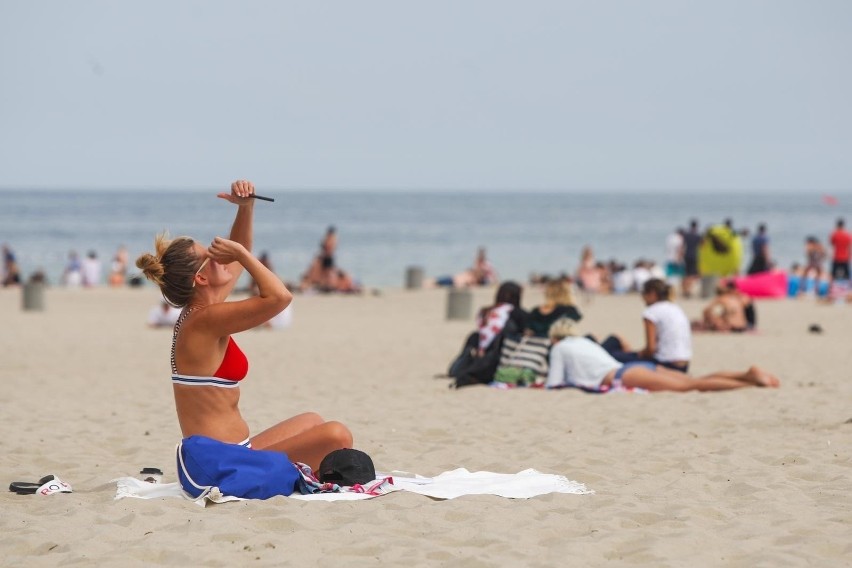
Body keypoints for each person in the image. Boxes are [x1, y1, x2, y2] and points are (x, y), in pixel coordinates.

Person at [135, 180, 352, 470]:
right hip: (222, 465)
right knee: (338, 435)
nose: (221, 256)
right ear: (200, 279)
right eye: (211, 256)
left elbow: (240, 251)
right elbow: (280, 297)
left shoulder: (204, 308)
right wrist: (243, 256)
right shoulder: (205, 320)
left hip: (237, 452)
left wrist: (246, 208)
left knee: (313, 421)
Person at [545, 317, 779, 392]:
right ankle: (746, 375)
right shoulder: (583, 342)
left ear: (555, 337)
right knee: (692, 380)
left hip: (622, 375)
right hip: (638, 366)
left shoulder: (558, 347)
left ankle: (750, 385)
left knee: (691, 386)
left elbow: (553, 384)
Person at [601, 278, 692, 373]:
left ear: (652, 294)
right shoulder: (675, 308)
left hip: (665, 365)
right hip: (683, 365)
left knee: (610, 354)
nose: (642, 298)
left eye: (643, 293)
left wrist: (639, 353)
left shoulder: (651, 312)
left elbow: (651, 349)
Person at [448, 281, 528, 387]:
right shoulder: (516, 312)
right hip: (498, 356)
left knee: (474, 335)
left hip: (480, 353)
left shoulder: (485, 311)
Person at [681, 220, 702, 298]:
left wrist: (680, 255)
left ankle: (685, 290)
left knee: (686, 273)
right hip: (694, 255)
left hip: (686, 255)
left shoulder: (686, 235)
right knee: (692, 274)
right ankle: (688, 290)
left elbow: (683, 246)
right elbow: (702, 246)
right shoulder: (698, 236)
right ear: (696, 227)